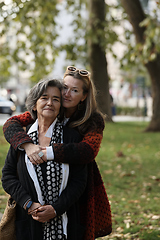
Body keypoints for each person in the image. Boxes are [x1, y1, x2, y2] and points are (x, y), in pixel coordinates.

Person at [3, 66, 112, 239]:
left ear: (84, 96)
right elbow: (9, 124)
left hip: (72, 204)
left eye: (74, 90)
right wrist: (28, 146)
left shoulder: (90, 120)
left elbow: (87, 151)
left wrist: (48, 152)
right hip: (28, 219)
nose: (67, 94)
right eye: (65, 88)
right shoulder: (35, 121)